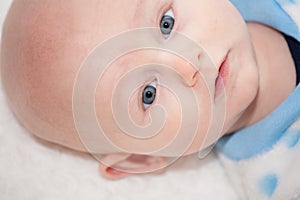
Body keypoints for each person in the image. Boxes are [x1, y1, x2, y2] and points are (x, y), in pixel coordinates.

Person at [0, 0, 299, 198]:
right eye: (148, 95)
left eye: (166, 24)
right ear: (142, 159)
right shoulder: (283, 181)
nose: (187, 66)